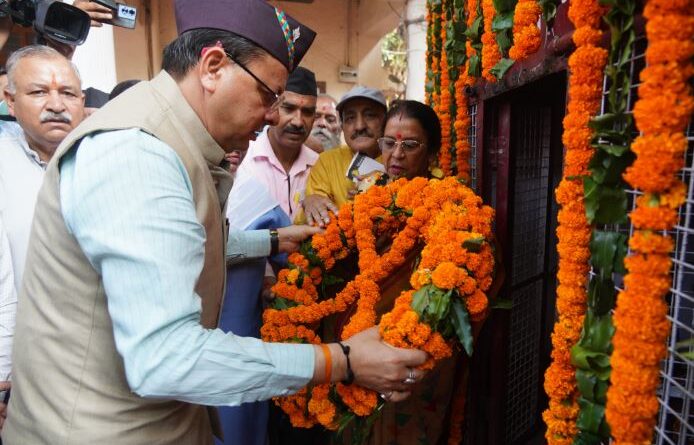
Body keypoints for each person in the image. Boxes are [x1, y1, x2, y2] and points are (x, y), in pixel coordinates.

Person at [3, 2, 428, 444]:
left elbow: (176, 248)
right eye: (269, 96)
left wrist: (273, 240)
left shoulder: (170, 140)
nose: (271, 117)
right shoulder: (136, 155)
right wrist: (341, 360)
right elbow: (166, 358)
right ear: (212, 66)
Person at [235, 66, 319, 222]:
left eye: (307, 112)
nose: (298, 122)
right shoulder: (243, 160)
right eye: (288, 108)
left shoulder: (320, 167)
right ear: (272, 107)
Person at [301, 85, 387, 227]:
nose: (359, 126)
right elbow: (321, 222)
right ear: (342, 126)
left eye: (370, 115)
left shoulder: (398, 160)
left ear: (385, 121)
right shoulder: (326, 162)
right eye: (350, 118)